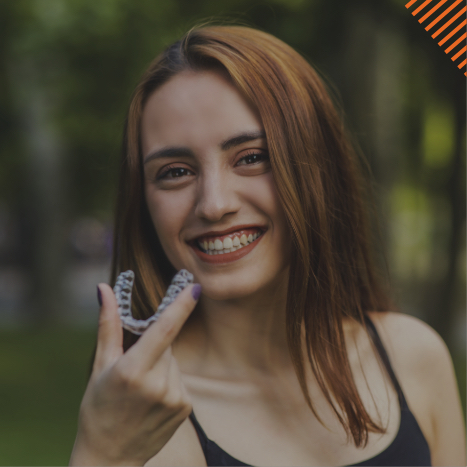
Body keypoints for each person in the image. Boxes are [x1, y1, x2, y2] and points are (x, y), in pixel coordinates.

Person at [69, 25, 465, 466]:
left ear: (319, 167)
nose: (214, 204)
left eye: (252, 158)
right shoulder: (150, 418)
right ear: (143, 203)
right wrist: (102, 453)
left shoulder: (414, 356)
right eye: (176, 172)